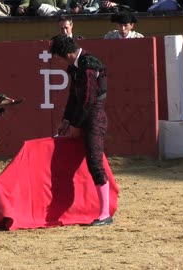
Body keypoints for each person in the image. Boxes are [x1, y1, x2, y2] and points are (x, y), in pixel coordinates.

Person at [49, 35, 112, 226]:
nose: (58, 61)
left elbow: (88, 99)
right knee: (91, 162)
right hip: (86, 116)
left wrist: (76, 124)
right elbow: (73, 98)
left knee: (94, 162)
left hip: (94, 118)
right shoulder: (76, 67)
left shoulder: (88, 64)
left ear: (68, 54)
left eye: (59, 57)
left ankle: (105, 214)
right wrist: (66, 120)